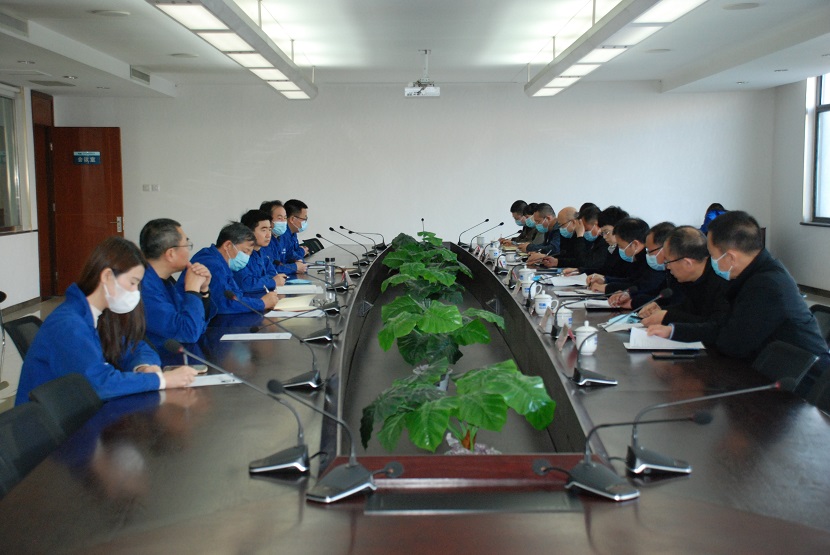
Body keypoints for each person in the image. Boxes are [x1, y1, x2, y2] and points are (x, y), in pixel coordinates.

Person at [647, 211, 828, 393]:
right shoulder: (755, 273)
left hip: (802, 387)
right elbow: (722, 326)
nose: (710, 261)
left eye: (712, 255)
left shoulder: (766, 285)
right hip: (771, 374)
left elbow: (731, 343)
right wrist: (674, 331)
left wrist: (676, 330)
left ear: (730, 257)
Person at [15, 237, 197, 404]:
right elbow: (99, 384)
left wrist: (143, 367)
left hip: (77, 410)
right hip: (51, 425)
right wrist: (161, 380)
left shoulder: (100, 315)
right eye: (132, 283)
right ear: (107, 276)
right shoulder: (69, 324)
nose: (135, 292)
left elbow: (134, 347)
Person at [139, 218, 218, 355]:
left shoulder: (164, 281)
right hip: (158, 361)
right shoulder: (144, 289)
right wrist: (192, 290)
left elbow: (197, 324)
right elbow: (189, 333)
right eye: (186, 245)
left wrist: (203, 291)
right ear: (171, 254)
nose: (189, 251)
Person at [639, 226, 729, 326]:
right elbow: (688, 310)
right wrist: (660, 309)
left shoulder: (722, 281)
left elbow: (715, 325)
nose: (667, 267)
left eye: (668, 261)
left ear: (687, 263)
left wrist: (667, 317)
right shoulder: (692, 278)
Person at [181, 222, 279, 314]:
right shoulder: (211, 263)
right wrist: (262, 303)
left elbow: (236, 293)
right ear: (228, 245)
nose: (247, 258)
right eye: (245, 252)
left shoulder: (223, 262)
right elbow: (225, 304)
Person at [587, 217, 664, 299]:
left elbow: (642, 287)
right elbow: (631, 280)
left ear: (635, 244)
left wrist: (606, 287)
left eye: (621, 246)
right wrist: (605, 280)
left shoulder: (653, 261)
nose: (619, 249)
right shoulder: (637, 257)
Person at [234, 209, 288, 295]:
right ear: (249, 232)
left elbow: (272, 273)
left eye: (269, 229)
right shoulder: (241, 255)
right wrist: (271, 282)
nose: (268, 235)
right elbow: (246, 284)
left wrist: (266, 280)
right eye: (264, 230)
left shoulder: (261, 251)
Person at [274, 199, 310, 274]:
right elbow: (277, 265)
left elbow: (291, 255)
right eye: (304, 219)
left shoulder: (293, 233)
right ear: (292, 219)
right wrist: (295, 266)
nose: (305, 222)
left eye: (284, 218)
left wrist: (298, 260)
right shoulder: (282, 235)